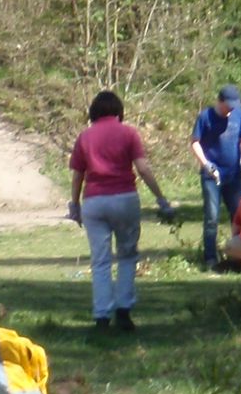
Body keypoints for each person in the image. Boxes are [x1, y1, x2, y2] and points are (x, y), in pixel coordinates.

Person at [71, 90, 177, 329]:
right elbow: (143, 168)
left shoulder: (84, 137)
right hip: (124, 198)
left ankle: (101, 315)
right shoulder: (128, 133)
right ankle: (124, 310)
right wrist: (161, 198)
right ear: (119, 111)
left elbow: (78, 175)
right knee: (127, 255)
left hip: (94, 201)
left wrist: (74, 204)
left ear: (93, 113)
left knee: (100, 260)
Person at [190, 86, 241, 269]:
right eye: (228, 105)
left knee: (238, 214)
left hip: (234, 174)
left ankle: (238, 255)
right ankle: (210, 258)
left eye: (234, 105)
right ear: (219, 101)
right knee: (212, 216)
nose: (230, 109)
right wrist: (205, 164)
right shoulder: (205, 117)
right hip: (212, 175)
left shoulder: (238, 116)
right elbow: (195, 142)